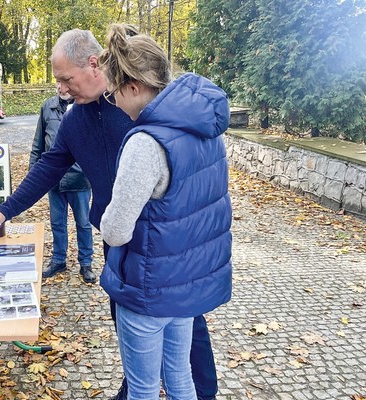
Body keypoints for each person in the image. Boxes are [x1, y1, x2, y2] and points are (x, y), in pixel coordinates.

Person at [0, 29, 220, 400]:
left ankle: (203, 391)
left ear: (93, 64)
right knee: (127, 320)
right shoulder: (75, 119)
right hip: (116, 241)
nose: (63, 90)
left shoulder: (138, 107)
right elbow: (49, 166)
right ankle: (135, 382)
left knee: (187, 329)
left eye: (67, 79)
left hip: (165, 243)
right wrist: (5, 211)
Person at [98, 24, 232, 399]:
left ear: (134, 88)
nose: (115, 103)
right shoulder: (206, 130)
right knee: (180, 379)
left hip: (148, 288)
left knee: (142, 387)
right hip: (186, 287)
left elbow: (117, 230)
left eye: (113, 94)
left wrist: (108, 217)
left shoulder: (146, 142)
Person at [30, 82, 95, 283]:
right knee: (57, 223)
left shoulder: (85, 107)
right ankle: (59, 260)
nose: (60, 87)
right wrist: (34, 173)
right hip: (54, 179)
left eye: (64, 83)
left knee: (83, 223)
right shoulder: (47, 106)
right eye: (57, 82)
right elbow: (38, 143)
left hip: (80, 179)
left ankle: (86, 263)